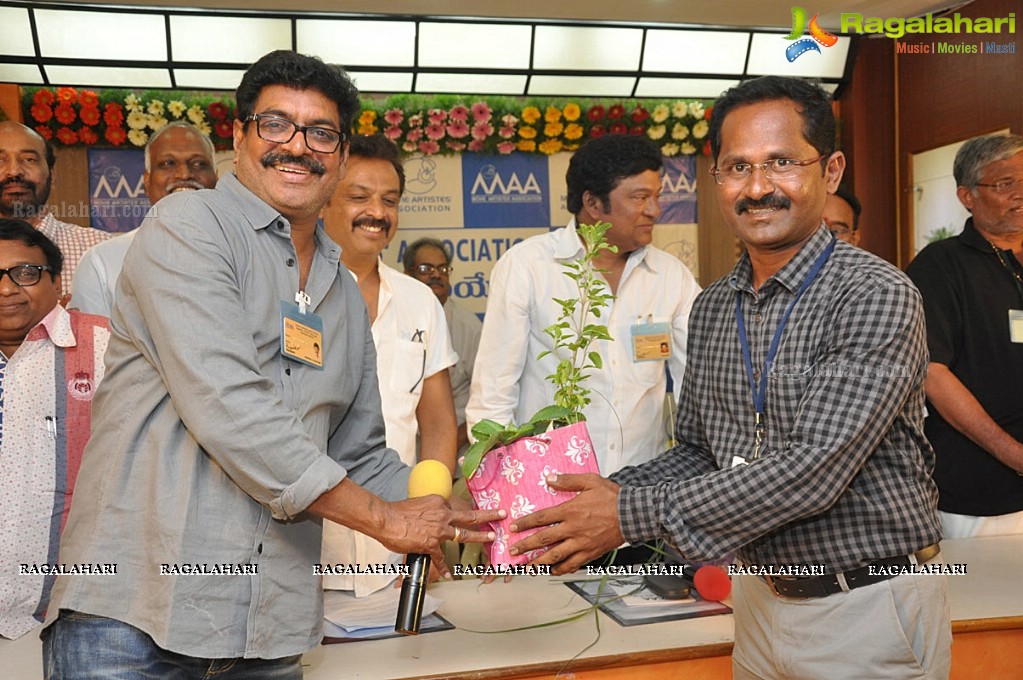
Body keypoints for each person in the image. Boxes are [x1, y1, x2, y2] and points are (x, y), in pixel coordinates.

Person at [41, 50, 498, 678]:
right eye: (276, 124)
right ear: (239, 136)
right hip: (135, 620)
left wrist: (460, 510)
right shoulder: (187, 227)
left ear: (338, 155)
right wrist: (386, 520)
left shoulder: (339, 289)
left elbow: (358, 449)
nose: (297, 147)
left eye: (321, 133)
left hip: (269, 628)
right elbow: (230, 406)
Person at [509, 76, 950, 679]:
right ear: (716, 180)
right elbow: (698, 449)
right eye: (737, 167)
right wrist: (577, 501)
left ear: (833, 170)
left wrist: (626, 513)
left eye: (782, 163)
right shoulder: (715, 305)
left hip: (863, 609)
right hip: (758, 603)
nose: (758, 187)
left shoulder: (874, 293)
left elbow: (813, 470)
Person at [466, 134, 701, 475]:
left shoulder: (671, 277)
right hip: (549, 487)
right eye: (640, 197)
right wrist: (506, 485)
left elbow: (694, 386)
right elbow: (493, 395)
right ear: (593, 203)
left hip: (640, 493)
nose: (655, 209)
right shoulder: (528, 267)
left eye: (657, 196)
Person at [320, 134, 458, 596]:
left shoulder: (420, 301)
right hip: (309, 547)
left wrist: (429, 517)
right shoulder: (289, 293)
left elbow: (438, 424)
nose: (377, 212)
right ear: (323, 201)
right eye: (359, 197)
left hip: (398, 553)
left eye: (390, 200)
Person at [906, 133, 1023, 538]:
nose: (1019, 194)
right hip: (979, 496)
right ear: (967, 196)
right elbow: (932, 373)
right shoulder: (939, 266)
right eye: (1005, 184)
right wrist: (1013, 453)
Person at [0, 219, 110, 639]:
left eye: (25, 273)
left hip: (77, 611)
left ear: (57, 280)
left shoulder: (107, 346)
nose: (8, 288)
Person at [69, 122, 218, 316]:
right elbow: (92, 343)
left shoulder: (244, 251)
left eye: (199, 164)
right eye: (168, 163)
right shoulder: (103, 262)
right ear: (147, 181)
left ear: (216, 177)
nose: (185, 174)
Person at [0, 121, 111, 302]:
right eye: (0, 160)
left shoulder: (99, 249)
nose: (14, 171)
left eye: (29, 159)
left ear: (52, 175)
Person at [403, 237, 482, 455]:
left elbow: (487, 399)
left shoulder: (469, 327)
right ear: (407, 274)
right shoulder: (393, 317)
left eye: (442, 268)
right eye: (425, 268)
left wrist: (447, 445)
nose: (436, 275)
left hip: (456, 453)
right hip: (399, 451)